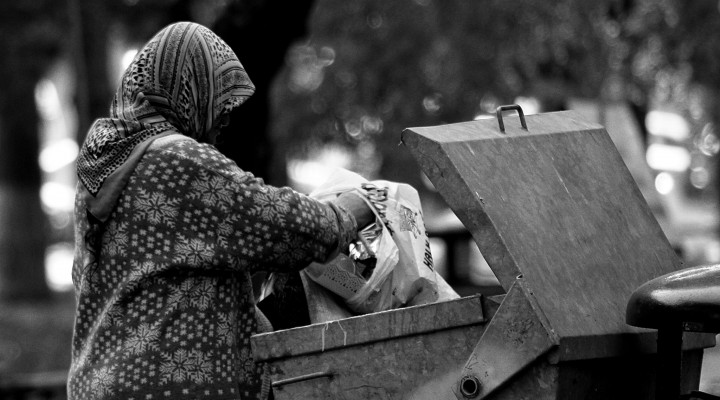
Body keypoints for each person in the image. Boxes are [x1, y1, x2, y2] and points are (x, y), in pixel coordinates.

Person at [68, 21, 372, 399]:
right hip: (169, 386)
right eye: (218, 99)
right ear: (187, 90)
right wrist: (348, 214)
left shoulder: (105, 160)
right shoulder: (177, 159)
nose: (225, 117)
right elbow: (281, 224)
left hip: (103, 380)